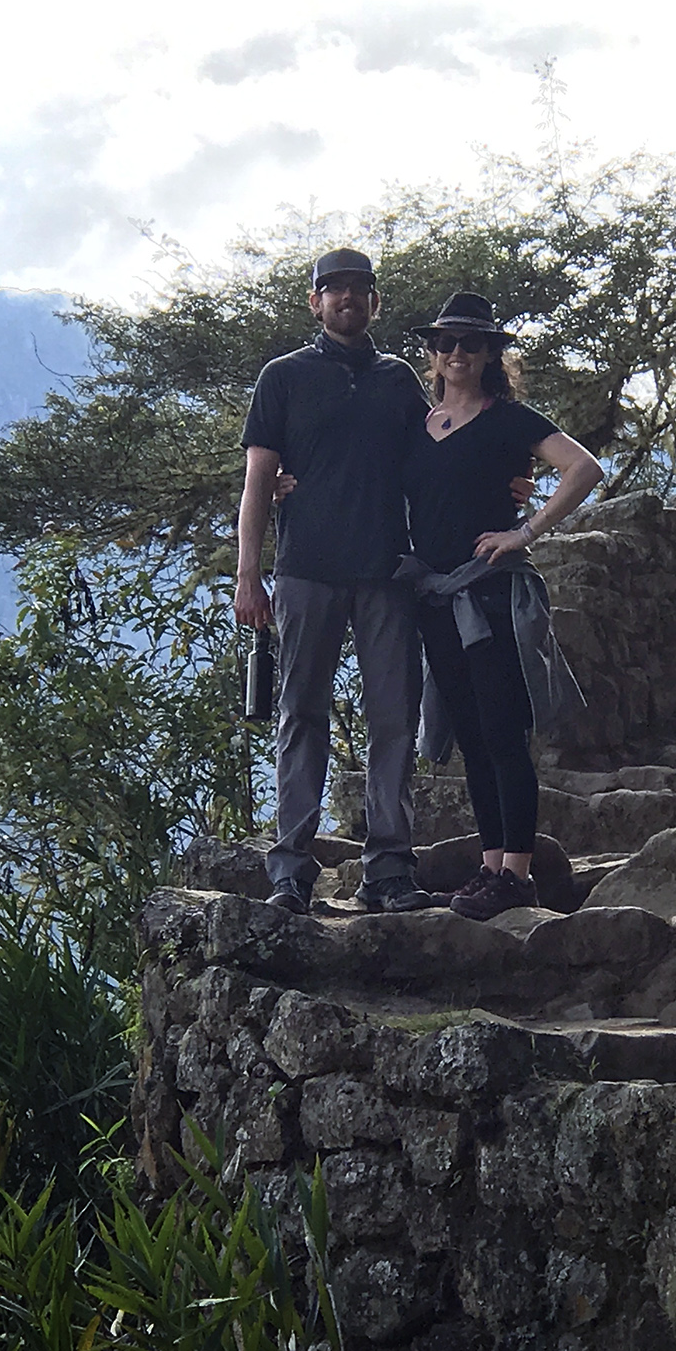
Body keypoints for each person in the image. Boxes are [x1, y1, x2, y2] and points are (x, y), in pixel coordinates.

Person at [234, 248, 440, 916]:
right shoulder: (283, 377)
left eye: (358, 288)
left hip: (386, 573)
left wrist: (509, 483)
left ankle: (389, 871)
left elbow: (437, 462)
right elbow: (258, 481)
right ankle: (290, 873)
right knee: (300, 716)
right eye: (334, 289)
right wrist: (248, 576)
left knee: (394, 719)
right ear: (315, 301)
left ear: (375, 301)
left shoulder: (397, 379)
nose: (347, 298)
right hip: (305, 572)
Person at [395, 291, 602, 921]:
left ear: (490, 354)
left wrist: (525, 531)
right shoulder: (417, 427)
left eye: (471, 343)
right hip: (437, 597)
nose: (457, 353)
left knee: (503, 731)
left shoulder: (509, 419)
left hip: (490, 593)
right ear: (432, 352)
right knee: (472, 736)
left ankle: (517, 873)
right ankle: (491, 867)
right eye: (446, 342)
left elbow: (583, 468)